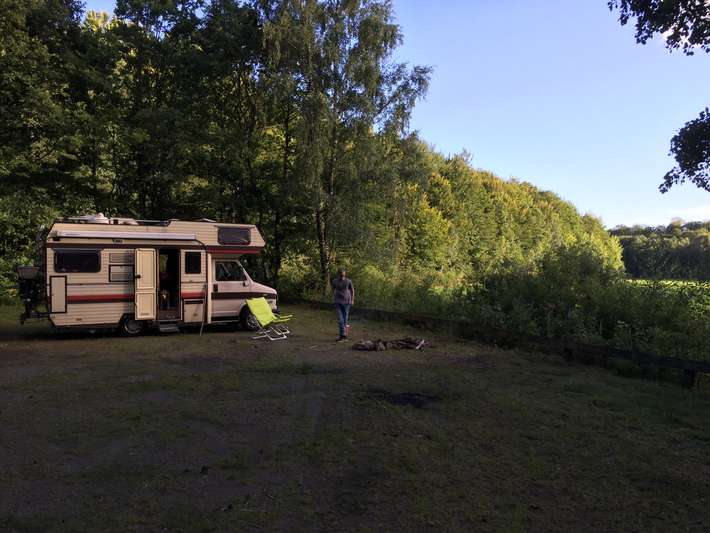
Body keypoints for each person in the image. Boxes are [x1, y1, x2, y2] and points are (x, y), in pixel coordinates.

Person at [332, 268, 355, 342]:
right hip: (337, 302)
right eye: (341, 275)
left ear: (345, 274)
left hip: (346, 302)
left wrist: (352, 300)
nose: (342, 277)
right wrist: (334, 297)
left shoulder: (348, 281)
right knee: (340, 319)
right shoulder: (334, 281)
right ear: (338, 274)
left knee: (345, 319)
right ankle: (343, 336)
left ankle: (344, 336)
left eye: (343, 275)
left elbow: (352, 290)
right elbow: (333, 289)